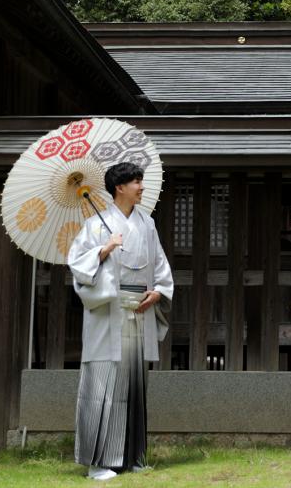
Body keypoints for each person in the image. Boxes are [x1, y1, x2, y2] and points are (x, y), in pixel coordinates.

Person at [67, 162, 173, 480]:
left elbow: (159, 265)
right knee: (103, 385)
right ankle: (98, 461)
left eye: (141, 181)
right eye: (136, 182)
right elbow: (77, 264)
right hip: (108, 312)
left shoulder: (147, 224)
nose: (141, 187)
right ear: (120, 187)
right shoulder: (94, 225)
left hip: (138, 309)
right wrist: (104, 248)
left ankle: (131, 457)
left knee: (134, 384)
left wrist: (158, 292)